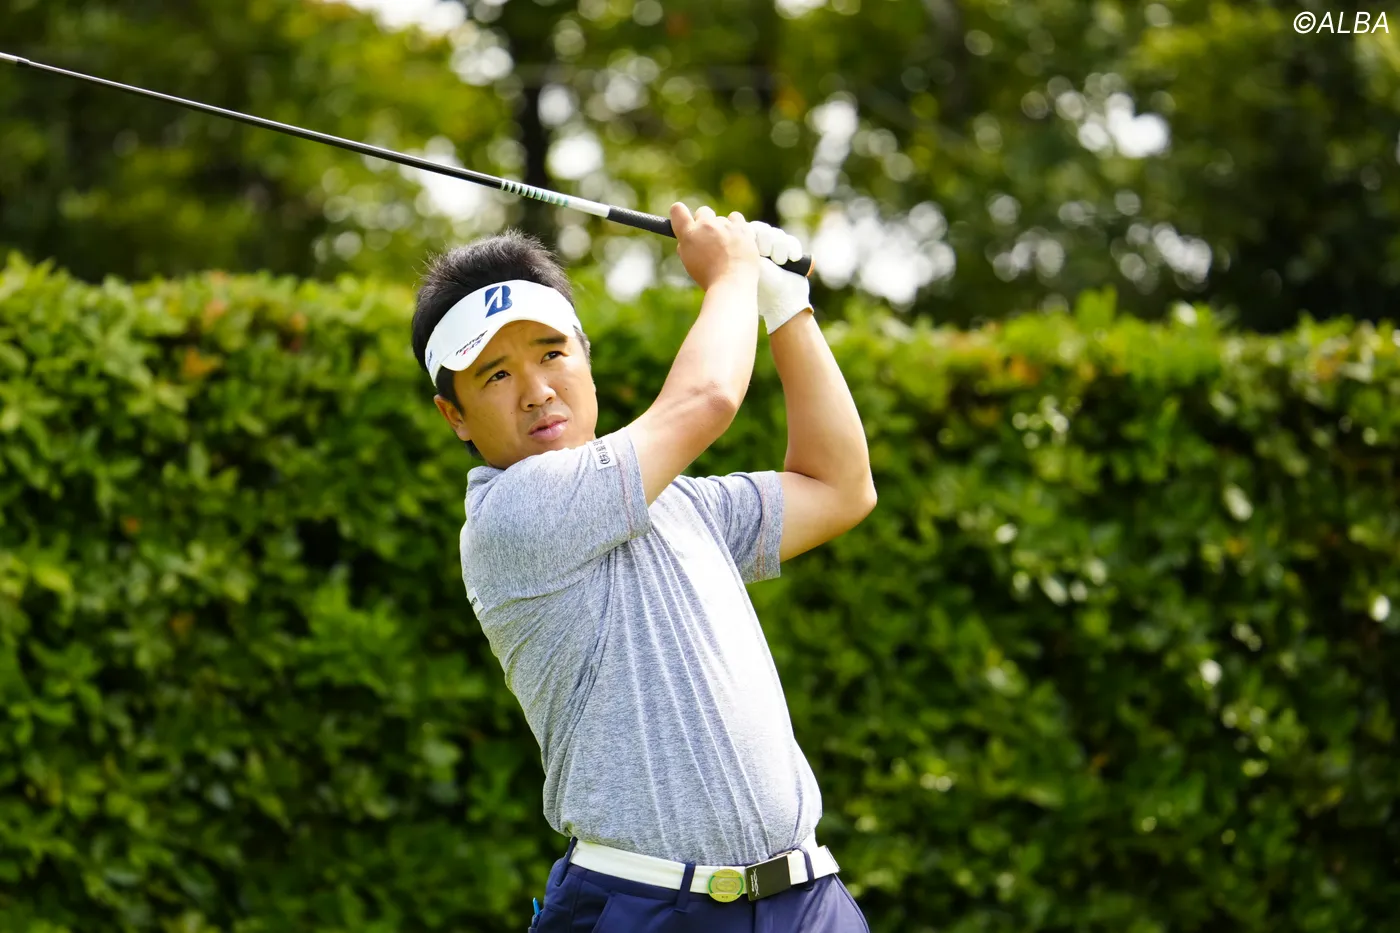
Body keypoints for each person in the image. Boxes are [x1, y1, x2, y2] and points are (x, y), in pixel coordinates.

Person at [410, 203, 876, 932]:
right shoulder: (510, 517)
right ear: (455, 415)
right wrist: (731, 273)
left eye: (552, 353)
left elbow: (840, 487)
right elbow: (707, 398)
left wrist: (788, 309)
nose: (536, 390)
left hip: (807, 899)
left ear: (586, 357)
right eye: (495, 373)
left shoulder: (682, 504)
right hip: (648, 907)